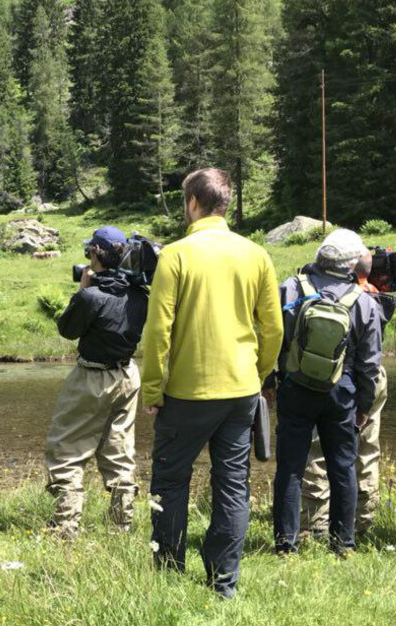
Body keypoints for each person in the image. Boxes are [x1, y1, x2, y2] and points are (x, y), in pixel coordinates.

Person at [141, 168, 283, 598]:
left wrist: (151, 389)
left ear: (192, 203)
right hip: (241, 391)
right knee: (233, 484)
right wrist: (257, 374)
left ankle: (168, 573)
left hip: (186, 393)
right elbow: (274, 329)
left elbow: (157, 331)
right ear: (224, 203)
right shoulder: (256, 254)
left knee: (170, 481)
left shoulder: (176, 254)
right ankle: (224, 583)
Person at [271, 229, 383, 555]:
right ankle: (343, 545)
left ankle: (285, 545)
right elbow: (370, 362)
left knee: (290, 467)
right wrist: (364, 404)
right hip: (342, 391)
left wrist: (269, 381)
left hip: (295, 387)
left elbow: (272, 339)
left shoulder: (290, 288)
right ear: (351, 264)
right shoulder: (363, 301)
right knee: (343, 468)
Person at [43, 226, 148, 539]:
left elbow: (67, 330)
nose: (88, 256)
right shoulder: (140, 296)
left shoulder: (90, 296)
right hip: (128, 376)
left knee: (66, 449)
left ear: (98, 254)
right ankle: (122, 526)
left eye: (90, 251)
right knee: (119, 449)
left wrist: (82, 291)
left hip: (91, 378)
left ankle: (65, 526)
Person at [301, 250, 392, 538]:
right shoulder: (374, 296)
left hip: (335, 377)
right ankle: (362, 520)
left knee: (317, 452)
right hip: (373, 378)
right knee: (366, 451)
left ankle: (315, 523)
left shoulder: (329, 293)